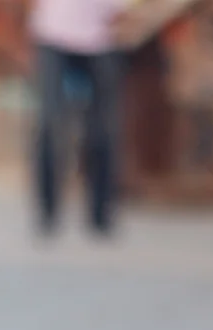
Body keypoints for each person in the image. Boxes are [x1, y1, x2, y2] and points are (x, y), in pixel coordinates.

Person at [29, 0, 134, 235]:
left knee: (103, 130)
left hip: (105, 35)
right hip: (53, 33)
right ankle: (47, 212)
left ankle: (101, 214)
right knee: (50, 125)